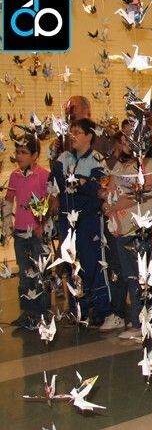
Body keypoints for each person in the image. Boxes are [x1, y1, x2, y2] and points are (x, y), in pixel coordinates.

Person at [51, 118, 113, 327]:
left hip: (88, 219)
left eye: (77, 132)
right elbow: (56, 182)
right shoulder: (63, 157)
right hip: (67, 219)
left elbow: (98, 188)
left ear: (89, 136)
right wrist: (79, 182)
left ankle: (103, 311)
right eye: (71, 131)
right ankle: (79, 311)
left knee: (92, 264)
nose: (73, 136)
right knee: (72, 265)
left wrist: (80, 183)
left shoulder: (97, 159)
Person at [102, 132, 152, 339]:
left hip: (141, 228)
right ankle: (138, 319)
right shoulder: (120, 166)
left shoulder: (150, 165)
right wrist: (109, 207)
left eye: (131, 140)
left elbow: (140, 193)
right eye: (124, 140)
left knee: (146, 277)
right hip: (121, 228)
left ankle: (150, 323)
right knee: (131, 278)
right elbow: (110, 189)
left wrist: (114, 205)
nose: (126, 144)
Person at [4, 135, 50, 330]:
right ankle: (28, 313)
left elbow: (50, 202)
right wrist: (8, 222)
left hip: (37, 234)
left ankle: (43, 314)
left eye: (24, 152)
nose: (19, 156)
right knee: (24, 275)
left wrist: (43, 225)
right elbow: (8, 199)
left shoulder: (43, 175)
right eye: (17, 152)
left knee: (41, 273)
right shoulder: (14, 176)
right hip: (20, 233)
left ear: (35, 155)